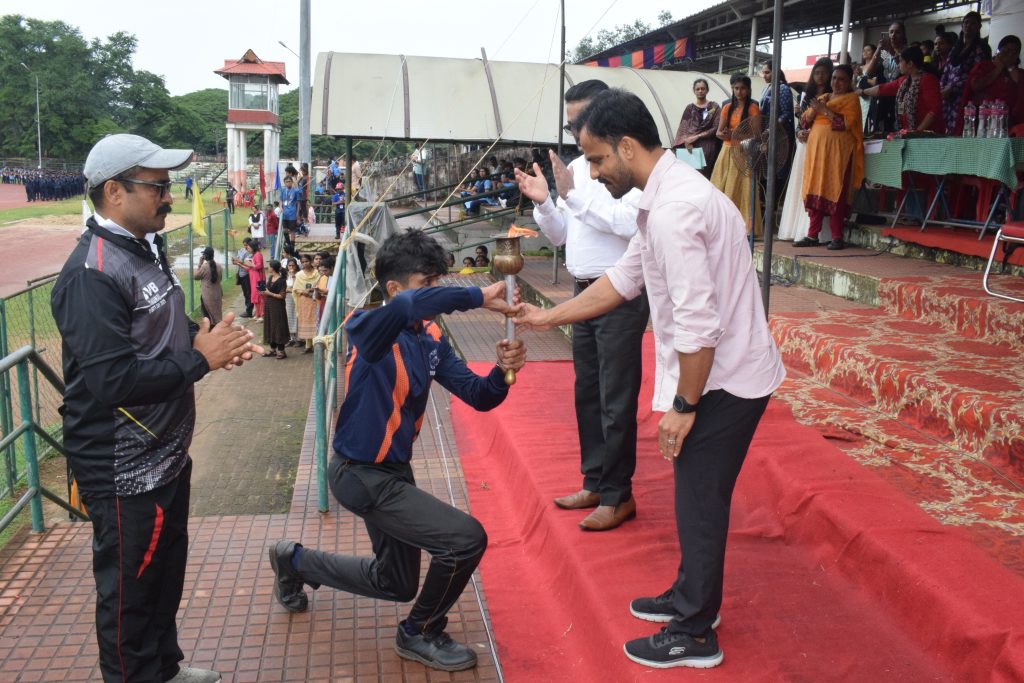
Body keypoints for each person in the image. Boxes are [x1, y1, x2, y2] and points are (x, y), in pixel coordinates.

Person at [511, 89, 785, 669]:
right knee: (696, 496)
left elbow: (698, 324)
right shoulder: (663, 199)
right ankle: (692, 599)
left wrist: (684, 405)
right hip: (721, 371)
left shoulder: (674, 211)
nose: (591, 172)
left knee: (700, 501)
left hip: (725, 380)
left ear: (627, 146)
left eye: (597, 159)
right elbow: (620, 280)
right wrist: (545, 316)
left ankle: (694, 633)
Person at [51, 133, 261, 683]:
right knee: (129, 595)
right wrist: (200, 363)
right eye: (159, 186)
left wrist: (208, 338)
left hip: (166, 453)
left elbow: (163, 327)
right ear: (114, 191)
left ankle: (164, 669)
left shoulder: (143, 247)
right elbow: (112, 379)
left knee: (163, 578)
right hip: (123, 469)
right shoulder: (90, 273)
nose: (169, 196)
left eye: (170, 186)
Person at [266, 230, 527, 672]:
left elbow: (478, 395)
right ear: (393, 287)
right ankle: (419, 631)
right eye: (429, 284)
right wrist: (476, 295)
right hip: (359, 474)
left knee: (397, 582)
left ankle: (293, 561)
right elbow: (408, 306)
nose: (437, 293)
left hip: (393, 474)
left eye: (439, 282)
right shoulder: (367, 326)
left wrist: (502, 373)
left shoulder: (429, 338)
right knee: (465, 540)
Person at [514, 78, 649, 531]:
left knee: (616, 397)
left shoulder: (626, 165)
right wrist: (546, 203)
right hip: (582, 290)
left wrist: (571, 195)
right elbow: (564, 237)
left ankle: (618, 494)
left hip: (619, 293)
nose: (578, 131)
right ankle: (595, 481)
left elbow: (631, 224)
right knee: (587, 393)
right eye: (572, 125)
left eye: (583, 121)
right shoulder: (578, 167)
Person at [795, 64, 864, 251]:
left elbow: (846, 124)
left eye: (841, 79)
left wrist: (824, 110)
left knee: (837, 191)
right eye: (834, 78)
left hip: (838, 154)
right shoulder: (823, 97)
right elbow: (804, 120)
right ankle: (812, 235)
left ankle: (837, 237)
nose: (836, 82)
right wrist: (812, 113)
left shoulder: (851, 100)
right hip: (817, 152)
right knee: (815, 188)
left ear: (849, 81)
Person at [780, 58, 834, 243]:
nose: (820, 76)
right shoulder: (805, 94)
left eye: (824, 73)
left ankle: (816, 231)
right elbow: (800, 120)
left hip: (823, 143)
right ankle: (795, 228)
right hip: (805, 143)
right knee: (800, 183)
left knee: (817, 183)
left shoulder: (834, 95)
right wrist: (799, 132)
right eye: (817, 73)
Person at [710, 74, 762, 236]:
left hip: (744, 151)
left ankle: (745, 228)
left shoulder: (753, 107)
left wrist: (736, 134)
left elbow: (757, 133)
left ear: (748, 90)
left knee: (744, 190)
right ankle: (722, 227)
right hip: (726, 150)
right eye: (736, 88)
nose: (739, 92)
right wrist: (725, 134)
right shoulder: (727, 107)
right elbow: (719, 132)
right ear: (732, 89)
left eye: (743, 88)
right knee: (721, 187)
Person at [859, 46, 945, 134]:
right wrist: (862, 92)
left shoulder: (928, 80)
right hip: (909, 134)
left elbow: (934, 110)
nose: (898, 64)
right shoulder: (904, 81)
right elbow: (882, 89)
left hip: (928, 136)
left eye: (900, 61)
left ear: (910, 64)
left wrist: (918, 132)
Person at [959, 34, 1023, 132]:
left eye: (1014, 52)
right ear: (999, 51)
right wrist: (998, 68)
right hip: (982, 120)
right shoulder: (985, 66)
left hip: (1009, 122)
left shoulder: (1019, 73)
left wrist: (1009, 67)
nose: (1010, 55)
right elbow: (975, 86)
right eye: (1007, 51)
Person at [758, 61, 796, 224]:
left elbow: (786, 114)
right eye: (763, 73)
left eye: (767, 72)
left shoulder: (783, 89)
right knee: (766, 172)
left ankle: (771, 210)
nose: (765, 75)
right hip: (766, 135)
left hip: (780, 137)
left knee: (778, 172)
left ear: (775, 72)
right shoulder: (767, 88)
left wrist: (772, 128)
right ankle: (764, 209)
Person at [672, 78, 722, 180]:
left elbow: (716, 127)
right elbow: (683, 128)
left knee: (706, 178)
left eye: (703, 89)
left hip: (709, 149)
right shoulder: (689, 108)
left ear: (707, 90)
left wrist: (697, 136)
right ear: (694, 91)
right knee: (691, 178)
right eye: (697, 89)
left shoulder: (714, 107)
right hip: (691, 149)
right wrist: (686, 141)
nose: (700, 91)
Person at [864, 21, 909, 133]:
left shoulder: (908, 52)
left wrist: (895, 55)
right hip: (881, 100)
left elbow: (907, 72)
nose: (893, 35)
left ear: (903, 35)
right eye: (891, 32)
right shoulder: (884, 54)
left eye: (897, 32)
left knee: (898, 130)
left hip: (899, 100)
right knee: (877, 134)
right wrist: (879, 50)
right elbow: (869, 74)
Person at [262, 259, 290, 359]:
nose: (268, 268)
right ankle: (273, 349)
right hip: (269, 305)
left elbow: (282, 296)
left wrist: (270, 293)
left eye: (269, 266)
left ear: (273, 268)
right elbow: (267, 290)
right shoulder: (270, 278)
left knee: (278, 326)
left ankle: (281, 350)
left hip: (278, 306)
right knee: (270, 325)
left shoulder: (282, 280)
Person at [293, 253, 320, 353]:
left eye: (307, 261)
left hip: (315, 300)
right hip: (304, 301)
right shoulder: (299, 275)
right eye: (303, 262)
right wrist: (304, 292)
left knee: (315, 321)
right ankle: (308, 346)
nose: (305, 264)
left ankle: (316, 344)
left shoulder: (317, 273)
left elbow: (320, 285)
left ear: (311, 261)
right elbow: (295, 289)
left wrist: (313, 290)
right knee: (305, 321)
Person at [234, 239, 265, 321]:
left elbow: (258, 266)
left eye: (249, 247)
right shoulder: (254, 255)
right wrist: (239, 263)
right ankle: (258, 313)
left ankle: (262, 314)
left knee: (259, 297)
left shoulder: (258, 255)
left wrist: (251, 264)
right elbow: (249, 268)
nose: (247, 248)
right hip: (253, 278)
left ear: (253, 247)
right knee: (254, 296)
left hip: (258, 278)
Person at [193, 246, 223, 325]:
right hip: (217, 294)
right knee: (217, 314)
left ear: (205, 256)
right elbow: (220, 279)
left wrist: (200, 264)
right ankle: (218, 329)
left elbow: (195, 276)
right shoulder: (219, 266)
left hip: (207, 296)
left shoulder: (204, 267)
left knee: (208, 316)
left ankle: (211, 332)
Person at [279, 175, 301, 250]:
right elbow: (281, 200)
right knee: (285, 229)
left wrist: (297, 215)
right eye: (286, 182)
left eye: (289, 181)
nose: (288, 183)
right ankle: (288, 243)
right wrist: (281, 207)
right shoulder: (282, 190)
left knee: (292, 231)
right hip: (285, 214)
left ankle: (292, 246)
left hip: (292, 213)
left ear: (292, 182)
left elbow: (298, 203)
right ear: (284, 183)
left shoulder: (295, 191)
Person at [284, 258, 299, 346]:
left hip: (295, 298)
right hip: (287, 299)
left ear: (296, 266)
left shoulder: (298, 275)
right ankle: (290, 338)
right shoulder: (285, 275)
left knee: (296, 316)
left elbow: (295, 287)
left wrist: (293, 275)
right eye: (289, 265)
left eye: (293, 265)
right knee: (288, 316)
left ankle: (298, 338)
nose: (291, 267)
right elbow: (284, 288)